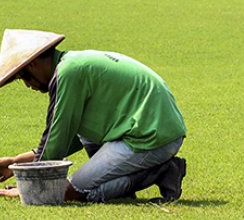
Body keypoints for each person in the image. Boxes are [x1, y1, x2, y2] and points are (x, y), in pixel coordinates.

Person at [0, 29, 187, 203]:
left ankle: (160, 171)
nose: (28, 85)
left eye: (24, 77)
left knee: (65, 192)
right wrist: (14, 162)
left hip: (150, 137)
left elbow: (55, 139)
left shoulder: (67, 74)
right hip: (154, 130)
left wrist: (31, 187)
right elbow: (69, 137)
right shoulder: (73, 63)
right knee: (84, 139)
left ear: (32, 64)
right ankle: (137, 176)